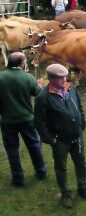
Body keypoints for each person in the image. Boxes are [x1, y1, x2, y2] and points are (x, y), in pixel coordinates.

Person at [34, 63, 86, 208]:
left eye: (65, 76)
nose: (65, 79)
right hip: (60, 140)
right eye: (61, 78)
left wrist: (82, 123)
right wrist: (50, 139)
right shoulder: (43, 97)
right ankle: (65, 193)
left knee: (81, 163)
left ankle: (83, 187)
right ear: (52, 79)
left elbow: (79, 107)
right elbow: (39, 122)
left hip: (77, 135)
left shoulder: (71, 88)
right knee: (61, 167)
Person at [0, 52, 47, 187]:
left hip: (7, 121)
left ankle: (18, 178)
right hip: (27, 119)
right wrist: (40, 85)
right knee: (34, 145)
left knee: (12, 149)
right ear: (21, 63)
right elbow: (39, 95)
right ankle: (41, 171)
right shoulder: (28, 77)